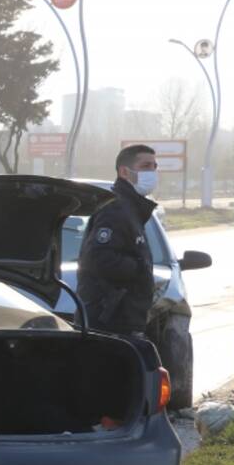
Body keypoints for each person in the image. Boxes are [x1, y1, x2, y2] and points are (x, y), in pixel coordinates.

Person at [77, 144, 158, 338]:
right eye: (146, 166)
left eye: (155, 166)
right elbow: (98, 258)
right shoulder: (115, 209)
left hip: (123, 321)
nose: (153, 172)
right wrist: (139, 268)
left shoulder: (131, 208)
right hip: (109, 324)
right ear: (124, 171)